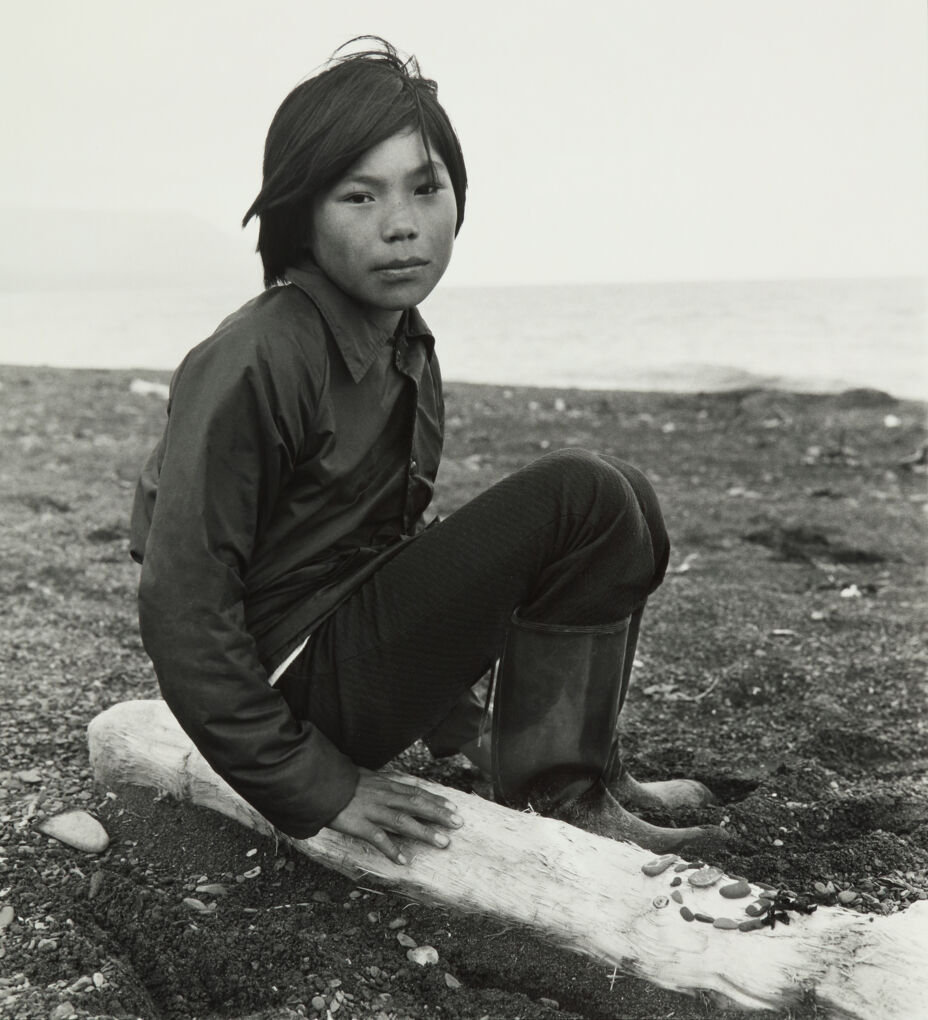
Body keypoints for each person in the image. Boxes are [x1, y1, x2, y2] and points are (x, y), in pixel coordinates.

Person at [130, 38, 722, 866]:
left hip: (342, 649)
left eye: (425, 187)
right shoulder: (259, 355)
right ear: (301, 211)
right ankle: (556, 798)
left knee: (628, 497)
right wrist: (316, 783)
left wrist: (464, 728)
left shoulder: (406, 343)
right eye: (359, 195)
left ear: (457, 199)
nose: (402, 223)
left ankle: (576, 776)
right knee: (580, 496)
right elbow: (179, 606)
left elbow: (380, 554)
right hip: (290, 692)